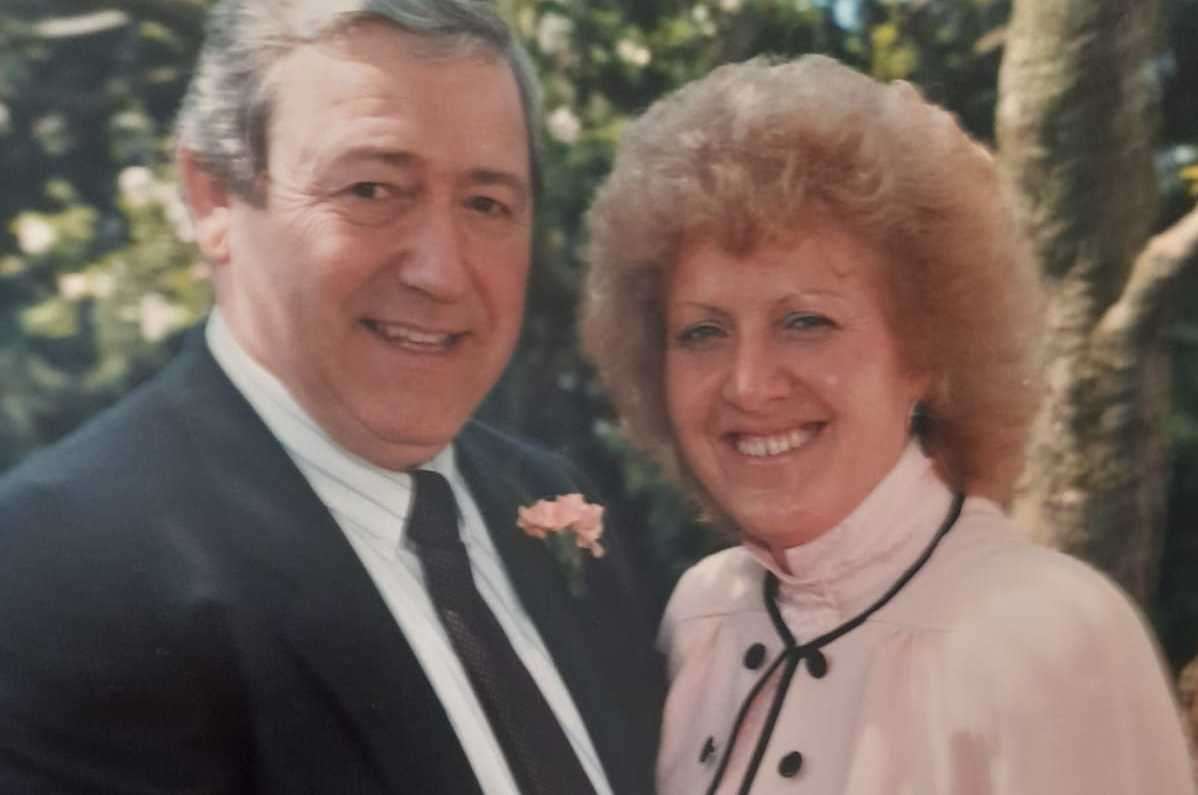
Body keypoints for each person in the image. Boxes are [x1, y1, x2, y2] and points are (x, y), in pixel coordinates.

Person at [0, 1, 662, 793]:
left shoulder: (555, 501)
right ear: (213, 199)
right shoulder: (54, 570)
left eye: (486, 203)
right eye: (375, 189)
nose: (441, 271)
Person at [581, 54, 1195, 794]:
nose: (747, 384)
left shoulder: (1056, 638)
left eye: (805, 321)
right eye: (703, 332)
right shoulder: (701, 614)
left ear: (928, 352)